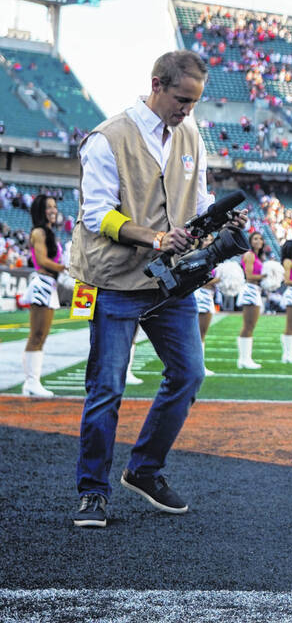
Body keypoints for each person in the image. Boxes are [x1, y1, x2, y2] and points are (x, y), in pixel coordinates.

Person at [68, 50, 245, 528]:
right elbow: (96, 215)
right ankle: (92, 492)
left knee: (189, 374)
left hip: (170, 281)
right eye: (182, 100)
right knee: (106, 387)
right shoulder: (107, 139)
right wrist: (157, 237)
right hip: (112, 282)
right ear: (157, 85)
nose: (187, 110)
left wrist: (219, 219)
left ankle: (144, 469)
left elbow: (200, 195)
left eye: (194, 102)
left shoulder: (190, 133)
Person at [21, 194, 66, 397]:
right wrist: (65, 268)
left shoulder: (48, 231)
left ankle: (33, 382)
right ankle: (31, 382)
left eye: (55, 207)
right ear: (40, 210)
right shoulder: (39, 232)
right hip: (42, 284)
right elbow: (42, 260)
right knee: (37, 334)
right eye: (49, 207)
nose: (53, 210)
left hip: (50, 284)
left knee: (42, 335)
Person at [235, 231, 266, 369]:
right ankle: (243, 359)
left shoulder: (257, 256)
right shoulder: (249, 255)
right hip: (250, 290)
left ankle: (246, 358)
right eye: (255, 239)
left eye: (260, 239)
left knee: (251, 326)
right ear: (250, 241)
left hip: (255, 291)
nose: (258, 241)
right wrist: (266, 276)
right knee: (248, 325)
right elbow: (249, 276)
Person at [193, 238, 218, 377]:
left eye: (211, 239)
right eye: (206, 239)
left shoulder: (212, 256)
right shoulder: (198, 255)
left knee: (202, 333)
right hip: (201, 295)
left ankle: (199, 365)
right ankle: (198, 366)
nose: (209, 241)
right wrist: (219, 279)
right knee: (199, 334)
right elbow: (200, 279)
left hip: (209, 295)